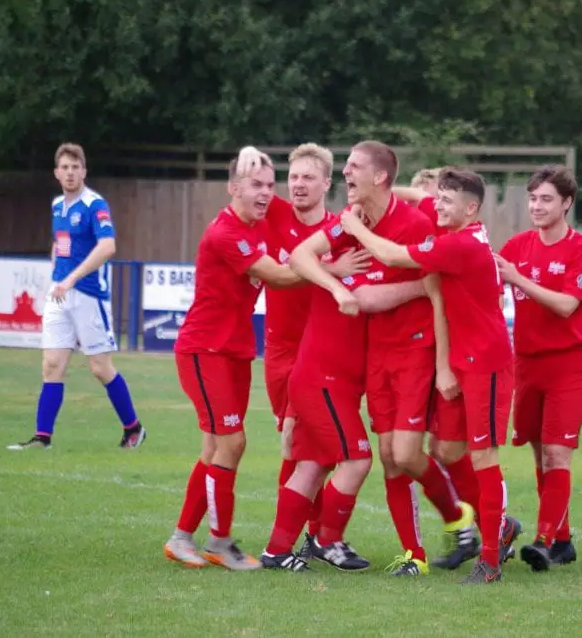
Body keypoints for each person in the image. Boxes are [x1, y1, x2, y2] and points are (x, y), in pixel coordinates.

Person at [340, 166, 516, 584]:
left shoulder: (462, 245)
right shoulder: (451, 230)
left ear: (471, 209)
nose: (436, 206)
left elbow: (391, 256)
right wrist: (375, 190)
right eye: (437, 199)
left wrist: (353, 225)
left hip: (487, 364)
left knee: (484, 458)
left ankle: (489, 558)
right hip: (460, 362)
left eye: (447, 202)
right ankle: (501, 525)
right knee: (448, 452)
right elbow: (417, 195)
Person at [326, 142, 478, 577]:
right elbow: (315, 261)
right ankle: (415, 555)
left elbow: (434, 290)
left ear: (379, 177)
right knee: (390, 457)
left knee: (409, 453)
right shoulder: (353, 222)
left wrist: (441, 360)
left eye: (353, 167)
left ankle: (461, 519)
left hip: (415, 349)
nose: (345, 174)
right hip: (378, 352)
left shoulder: (411, 224)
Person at [164, 147, 316, 570]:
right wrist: (332, 269)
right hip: (204, 349)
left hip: (234, 350)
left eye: (271, 184)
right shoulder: (226, 233)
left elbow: (306, 200)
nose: (267, 192)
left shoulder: (262, 218)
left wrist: (254, 150)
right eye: (256, 184)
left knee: (215, 445)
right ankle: (220, 542)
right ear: (233, 188)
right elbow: (283, 277)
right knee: (232, 442)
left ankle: (181, 538)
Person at [263, 143, 370, 556]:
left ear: (328, 183)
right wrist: (333, 272)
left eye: (308, 177)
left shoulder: (338, 230)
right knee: (296, 445)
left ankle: (309, 537)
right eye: (293, 177)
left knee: (318, 448)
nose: (298, 185)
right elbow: (243, 183)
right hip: (284, 353)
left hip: (324, 357)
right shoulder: (274, 215)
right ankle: (308, 538)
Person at [8, 143, 145, 451]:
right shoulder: (58, 205)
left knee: (99, 367)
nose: (70, 173)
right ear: (57, 173)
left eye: (75, 167)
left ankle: (133, 428)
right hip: (60, 295)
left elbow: (107, 246)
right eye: (65, 167)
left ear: (84, 171)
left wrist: (71, 278)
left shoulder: (95, 205)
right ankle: (43, 437)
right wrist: (58, 270)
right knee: (52, 364)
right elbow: (60, 243)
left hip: (88, 295)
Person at [495, 165, 582, 571]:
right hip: (527, 363)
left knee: (558, 455)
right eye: (533, 198)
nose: (536, 206)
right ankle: (564, 539)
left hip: (567, 363)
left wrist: (519, 278)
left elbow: (567, 305)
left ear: (567, 203)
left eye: (546, 199)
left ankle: (542, 540)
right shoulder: (517, 244)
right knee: (540, 456)